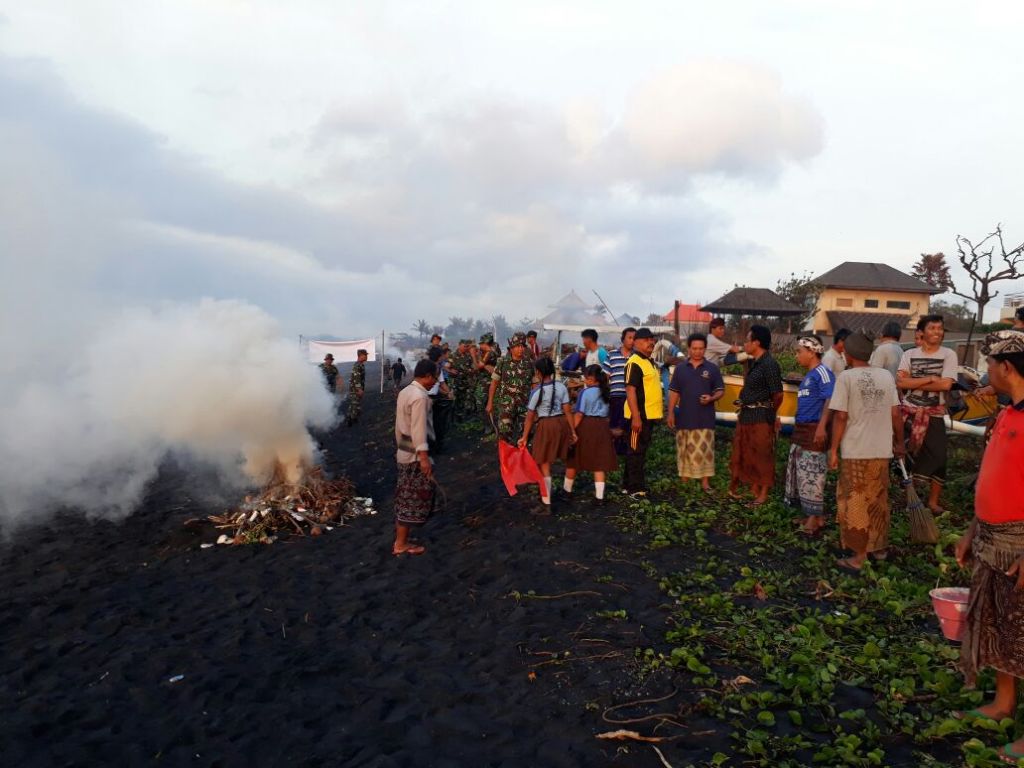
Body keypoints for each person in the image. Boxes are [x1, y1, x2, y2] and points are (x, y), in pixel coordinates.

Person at [953, 330, 1024, 763]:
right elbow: (995, 476)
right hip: (991, 538)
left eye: (990, 366)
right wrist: (970, 530)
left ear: (1007, 368)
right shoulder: (1006, 414)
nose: (986, 374)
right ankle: (1003, 703)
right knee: (999, 623)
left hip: (1019, 544)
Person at [828, 331, 905, 572]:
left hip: (855, 451)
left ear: (848, 354)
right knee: (878, 499)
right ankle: (878, 548)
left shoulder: (846, 378)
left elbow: (841, 416)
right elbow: (896, 413)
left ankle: (859, 556)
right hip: (881, 449)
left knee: (856, 501)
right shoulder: (885, 376)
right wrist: (900, 443)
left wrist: (832, 449)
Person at [897, 314, 958, 514]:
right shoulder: (909, 354)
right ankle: (910, 500)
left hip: (934, 413)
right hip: (909, 412)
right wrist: (932, 378)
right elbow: (901, 383)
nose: (937, 332)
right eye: (932, 328)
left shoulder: (948, 354)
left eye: (940, 328)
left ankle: (931, 501)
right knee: (908, 455)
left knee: (939, 457)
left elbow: (947, 384)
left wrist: (917, 379)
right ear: (921, 333)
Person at [728, 325, 783, 505]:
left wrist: (770, 412)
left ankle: (763, 494)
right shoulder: (754, 362)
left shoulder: (770, 364)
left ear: (756, 342)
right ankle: (754, 486)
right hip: (747, 414)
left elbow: (778, 394)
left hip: (761, 415)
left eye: (747, 339)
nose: (745, 343)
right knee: (746, 451)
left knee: (762, 455)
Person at [785, 336, 835, 536]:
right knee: (803, 472)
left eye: (799, 351)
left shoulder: (823, 372)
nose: (797, 355)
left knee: (813, 473)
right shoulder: (809, 375)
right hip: (803, 429)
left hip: (815, 429)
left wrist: (822, 427)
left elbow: (830, 398)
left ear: (811, 352)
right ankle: (811, 515)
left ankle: (814, 519)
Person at [667, 333, 725, 492]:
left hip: (704, 418)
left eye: (701, 349)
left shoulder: (712, 369)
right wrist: (670, 412)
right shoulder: (680, 369)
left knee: (705, 450)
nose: (698, 352)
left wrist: (712, 398)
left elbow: (720, 390)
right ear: (689, 348)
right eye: (694, 348)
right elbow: (674, 392)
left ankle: (705, 483)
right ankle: (684, 480)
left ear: (705, 349)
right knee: (684, 448)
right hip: (684, 416)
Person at [392, 359, 439, 556]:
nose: (435, 381)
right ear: (427, 376)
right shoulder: (420, 397)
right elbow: (418, 429)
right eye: (434, 377)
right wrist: (424, 457)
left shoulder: (405, 392)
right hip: (414, 455)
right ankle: (400, 544)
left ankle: (401, 540)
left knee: (404, 497)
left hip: (403, 449)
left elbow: (401, 426)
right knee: (411, 500)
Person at [518, 357, 576, 514]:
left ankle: (546, 503)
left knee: (543, 463)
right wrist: (572, 431)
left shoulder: (537, 391)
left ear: (538, 372)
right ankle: (567, 490)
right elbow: (568, 410)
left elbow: (530, 417)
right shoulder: (561, 387)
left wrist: (524, 437)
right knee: (567, 458)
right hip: (562, 423)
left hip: (546, 425)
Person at [563, 365, 619, 505]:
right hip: (602, 427)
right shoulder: (606, 391)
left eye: (588, 378)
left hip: (586, 426)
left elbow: (579, 414)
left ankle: (566, 491)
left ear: (593, 379)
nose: (585, 380)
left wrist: (571, 430)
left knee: (574, 459)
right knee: (599, 463)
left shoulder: (585, 393)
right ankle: (599, 498)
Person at [623, 328, 663, 497]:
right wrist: (636, 417)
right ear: (636, 342)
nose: (651, 342)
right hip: (638, 416)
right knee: (635, 452)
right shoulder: (634, 362)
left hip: (649, 416)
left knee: (640, 451)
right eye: (646, 339)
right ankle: (635, 489)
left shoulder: (649, 361)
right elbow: (630, 390)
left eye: (652, 339)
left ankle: (627, 485)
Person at [487, 331, 534, 444]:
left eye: (522, 346)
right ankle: (506, 460)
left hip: (524, 406)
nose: (520, 349)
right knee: (504, 435)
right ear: (511, 348)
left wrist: (534, 406)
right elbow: (494, 383)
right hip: (506, 406)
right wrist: (490, 403)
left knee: (526, 436)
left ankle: (520, 459)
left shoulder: (530, 363)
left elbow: (534, 385)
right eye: (517, 346)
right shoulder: (502, 362)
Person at [603, 327, 635, 455]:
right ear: (623, 339)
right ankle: (613, 452)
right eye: (630, 338)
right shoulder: (611, 354)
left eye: (634, 338)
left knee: (628, 424)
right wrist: (604, 394)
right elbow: (605, 376)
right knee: (614, 423)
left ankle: (626, 451)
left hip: (631, 397)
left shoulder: (637, 357)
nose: (632, 341)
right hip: (615, 396)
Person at [426, 346, 453, 452]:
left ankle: (437, 446)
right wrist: (447, 392)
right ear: (439, 356)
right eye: (442, 355)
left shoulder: (438, 368)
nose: (443, 357)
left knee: (438, 423)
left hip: (435, 397)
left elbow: (441, 384)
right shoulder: (428, 367)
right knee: (427, 423)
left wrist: (449, 393)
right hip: (426, 398)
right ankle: (428, 447)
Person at [448, 339, 475, 421]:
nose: (465, 348)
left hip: (467, 382)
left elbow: (473, 367)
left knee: (468, 399)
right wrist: (451, 370)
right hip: (457, 382)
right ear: (459, 345)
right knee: (457, 400)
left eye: (467, 346)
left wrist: (471, 370)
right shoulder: (452, 355)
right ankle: (457, 418)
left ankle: (467, 417)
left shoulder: (468, 356)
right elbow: (447, 367)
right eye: (464, 346)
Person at [346, 349, 368, 427]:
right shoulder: (357, 365)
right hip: (355, 390)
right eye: (365, 355)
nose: (366, 356)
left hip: (355, 389)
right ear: (360, 355)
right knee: (355, 405)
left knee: (353, 404)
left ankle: (351, 419)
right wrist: (359, 389)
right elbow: (356, 378)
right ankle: (352, 421)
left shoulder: (360, 365)